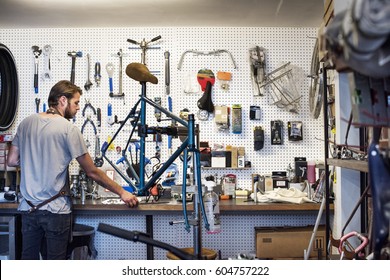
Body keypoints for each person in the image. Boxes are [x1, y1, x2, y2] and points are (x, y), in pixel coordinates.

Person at [7, 80, 139, 260]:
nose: (78, 108)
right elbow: (91, 171)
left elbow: (12, 160)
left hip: (28, 210)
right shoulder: (69, 129)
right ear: (62, 100)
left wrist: (34, 158)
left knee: (28, 263)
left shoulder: (26, 124)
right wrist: (122, 192)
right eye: (76, 102)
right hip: (56, 211)